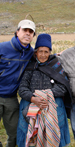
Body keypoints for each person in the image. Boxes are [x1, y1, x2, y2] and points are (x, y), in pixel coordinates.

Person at [17, 33, 72, 147]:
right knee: (33, 139)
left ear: (50, 52)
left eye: (46, 51)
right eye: (40, 51)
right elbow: (22, 88)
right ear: (35, 52)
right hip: (31, 107)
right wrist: (34, 99)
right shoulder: (30, 66)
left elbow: (63, 87)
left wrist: (46, 96)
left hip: (53, 106)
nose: (43, 55)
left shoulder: (56, 65)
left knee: (51, 138)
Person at [0, 19, 35, 147]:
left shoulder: (31, 53)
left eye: (31, 32)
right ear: (17, 32)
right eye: (24, 30)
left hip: (11, 98)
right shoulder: (2, 48)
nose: (27, 33)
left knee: (14, 132)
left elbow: (45, 57)